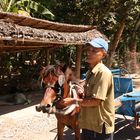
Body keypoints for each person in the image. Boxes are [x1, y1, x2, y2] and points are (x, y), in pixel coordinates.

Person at [77, 37, 115, 140]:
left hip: (99, 126)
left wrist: (73, 101)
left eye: (94, 51)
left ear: (103, 54)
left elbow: (95, 101)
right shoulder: (90, 72)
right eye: (89, 50)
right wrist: (82, 92)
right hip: (88, 123)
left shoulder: (103, 72)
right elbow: (90, 94)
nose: (89, 53)